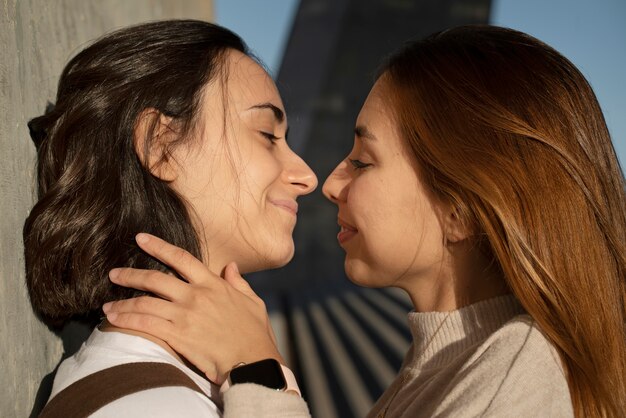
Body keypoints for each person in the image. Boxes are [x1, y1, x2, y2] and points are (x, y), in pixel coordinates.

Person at [103, 25, 626, 417]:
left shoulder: (524, 368)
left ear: (460, 209)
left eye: (363, 161)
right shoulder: (443, 369)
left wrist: (256, 368)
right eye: (267, 137)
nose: (327, 183)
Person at [24, 19, 316, 417]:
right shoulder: (152, 406)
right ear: (159, 145)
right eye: (267, 134)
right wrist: (262, 371)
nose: (307, 177)